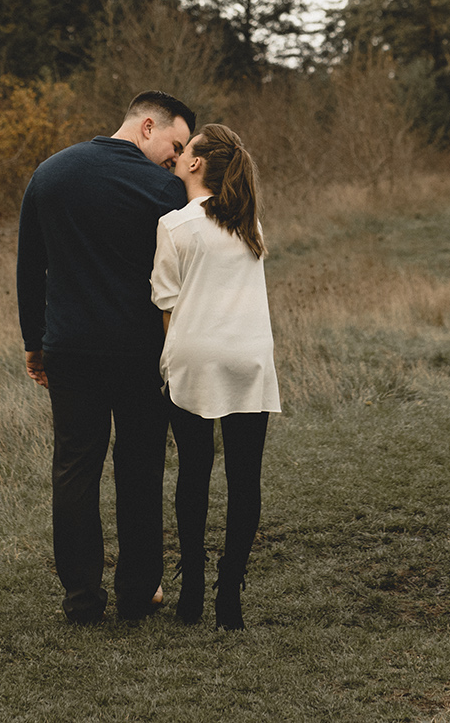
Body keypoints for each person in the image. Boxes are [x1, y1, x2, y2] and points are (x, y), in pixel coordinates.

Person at [17, 90, 197, 624]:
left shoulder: (49, 173)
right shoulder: (165, 190)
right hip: (141, 351)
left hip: (70, 348)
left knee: (74, 467)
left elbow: (31, 266)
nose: (177, 157)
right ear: (147, 126)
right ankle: (138, 593)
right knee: (139, 468)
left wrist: (35, 342)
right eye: (175, 142)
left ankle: (81, 600)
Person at [151, 122, 280, 630]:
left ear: (197, 164)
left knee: (195, 472)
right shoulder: (250, 225)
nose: (179, 156)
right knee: (246, 478)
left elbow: (166, 305)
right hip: (249, 356)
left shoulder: (175, 225)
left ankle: (193, 592)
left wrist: (166, 360)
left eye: (185, 151)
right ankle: (231, 589)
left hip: (197, 357)